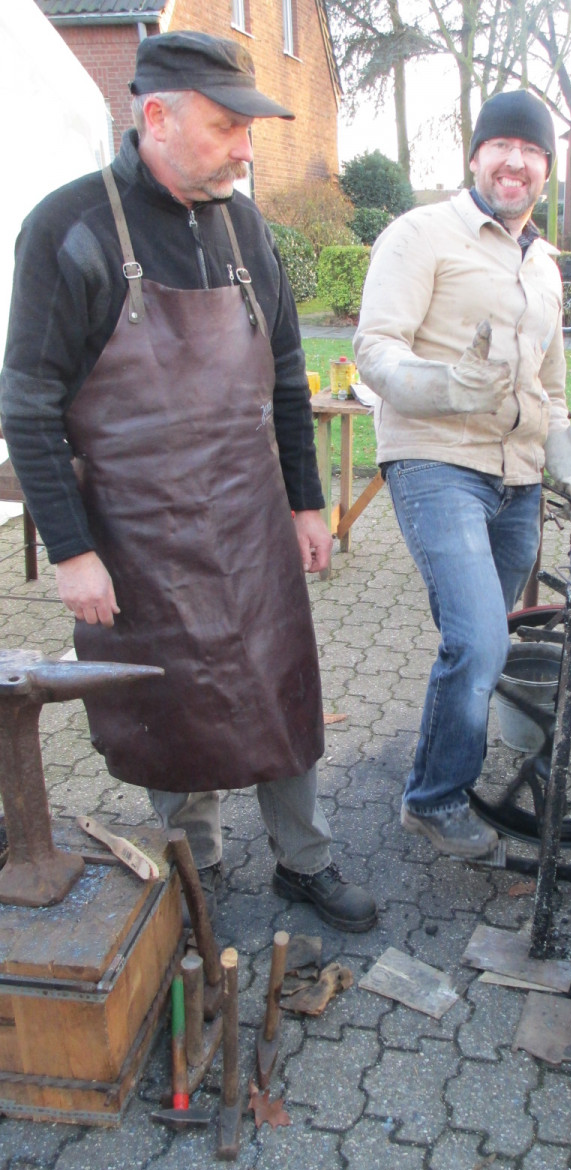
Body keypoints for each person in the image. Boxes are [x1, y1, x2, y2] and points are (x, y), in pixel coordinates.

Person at [0, 31, 376, 932]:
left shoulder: (246, 228)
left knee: (283, 687)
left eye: (248, 129)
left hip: (252, 518)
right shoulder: (70, 229)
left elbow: (286, 381)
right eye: (226, 127)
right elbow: (28, 406)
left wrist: (307, 501)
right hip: (138, 536)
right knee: (172, 704)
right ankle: (191, 872)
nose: (246, 150)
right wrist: (73, 551)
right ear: (157, 116)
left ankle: (304, 859)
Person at [354, 90, 571, 858]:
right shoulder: (420, 234)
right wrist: (450, 386)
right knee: (481, 640)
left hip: (517, 477)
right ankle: (435, 799)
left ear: (547, 168)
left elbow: (552, 389)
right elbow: (376, 350)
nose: (515, 163)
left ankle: (437, 771)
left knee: (475, 642)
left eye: (532, 152)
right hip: (436, 462)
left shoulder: (545, 266)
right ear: (476, 156)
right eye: (502, 147)